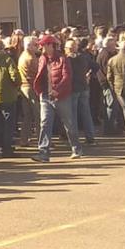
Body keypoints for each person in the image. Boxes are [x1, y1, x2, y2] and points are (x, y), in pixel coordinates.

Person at [31, 35, 83, 163]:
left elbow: (67, 77)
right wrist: (39, 91)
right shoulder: (42, 58)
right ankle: (43, 153)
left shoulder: (62, 59)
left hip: (62, 96)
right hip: (45, 96)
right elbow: (40, 75)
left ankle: (76, 148)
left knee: (69, 124)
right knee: (45, 123)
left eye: (43, 45)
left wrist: (57, 90)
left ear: (50, 45)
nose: (41, 48)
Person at [66, 39, 99, 145]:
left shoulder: (67, 59)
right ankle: (90, 137)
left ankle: (74, 139)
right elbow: (96, 66)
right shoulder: (84, 57)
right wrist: (89, 75)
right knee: (86, 113)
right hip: (84, 87)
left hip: (72, 89)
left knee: (73, 115)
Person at [18, 36, 40, 147]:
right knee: (38, 114)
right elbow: (38, 74)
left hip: (23, 87)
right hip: (31, 87)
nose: (38, 47)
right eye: (35, 45)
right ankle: (42, 140)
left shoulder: (22, 55)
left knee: (27, 115)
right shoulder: (31, 58)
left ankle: (24, 139)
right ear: (29, 46)